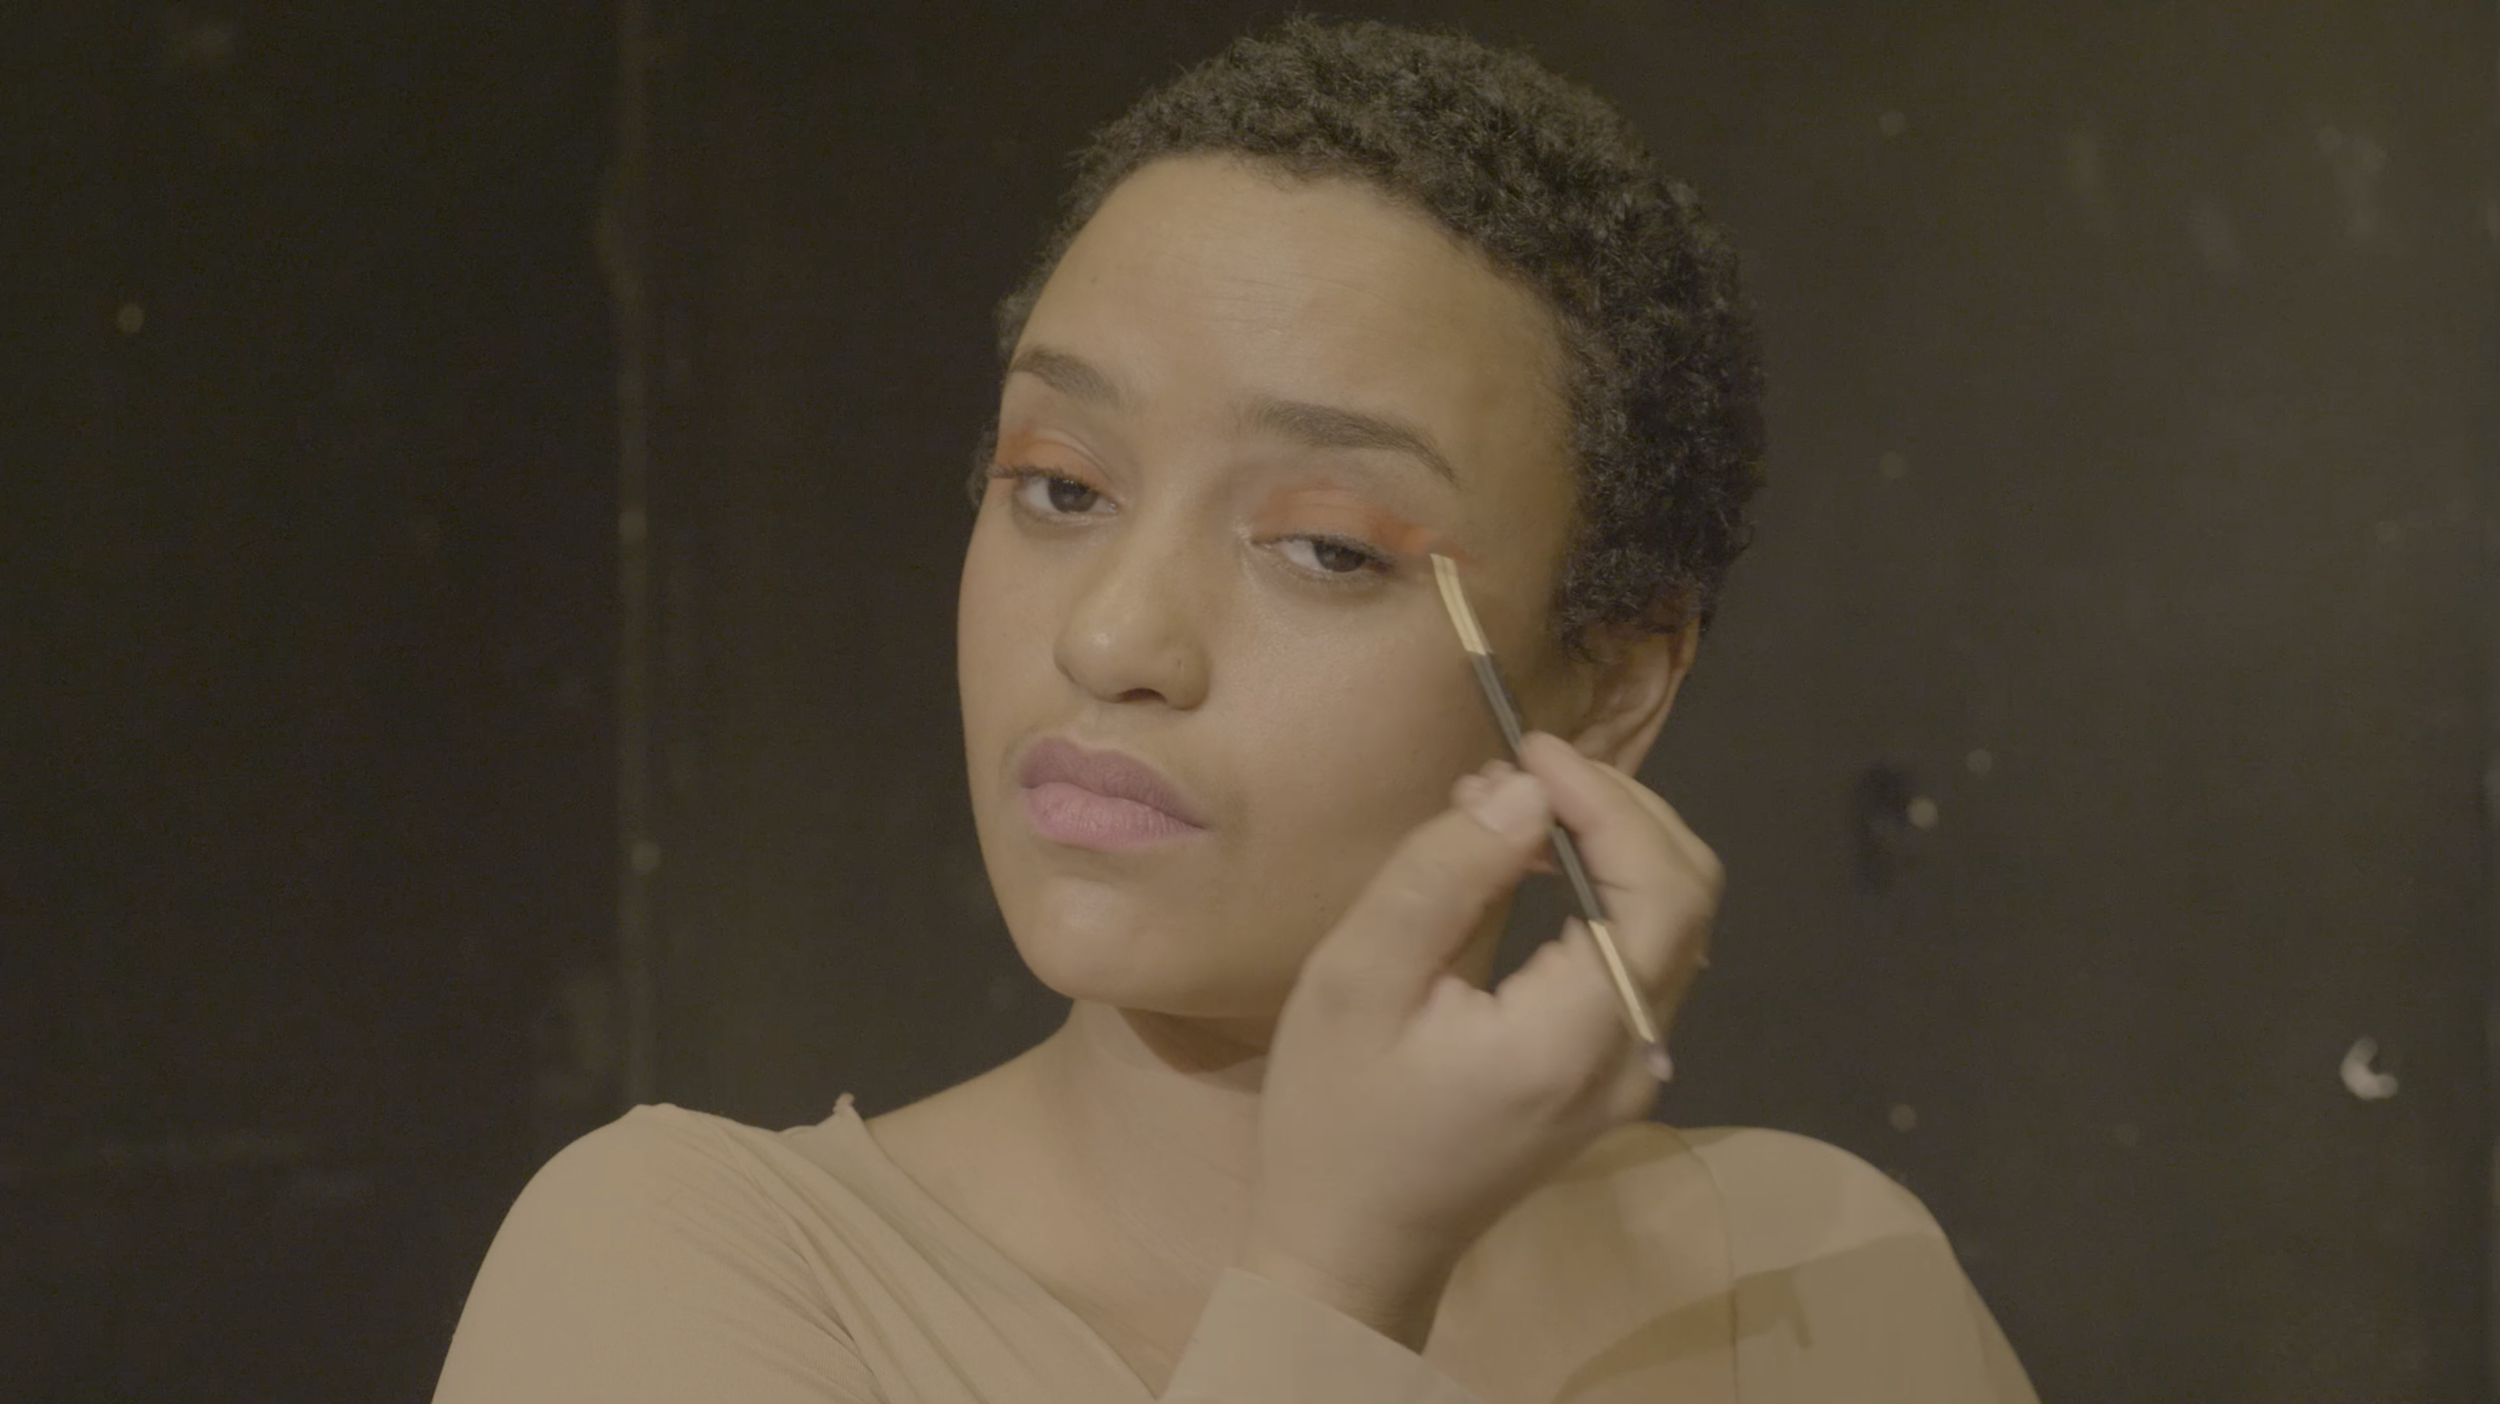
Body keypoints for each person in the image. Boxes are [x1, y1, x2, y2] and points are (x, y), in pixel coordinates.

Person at [432, 16, 2037, 1404]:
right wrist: (1334, 1285)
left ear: (1609, 685)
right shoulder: (676, 1266)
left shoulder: (1819, 1283)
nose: (1113, 635)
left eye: (1326, 546)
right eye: (1060, 487)